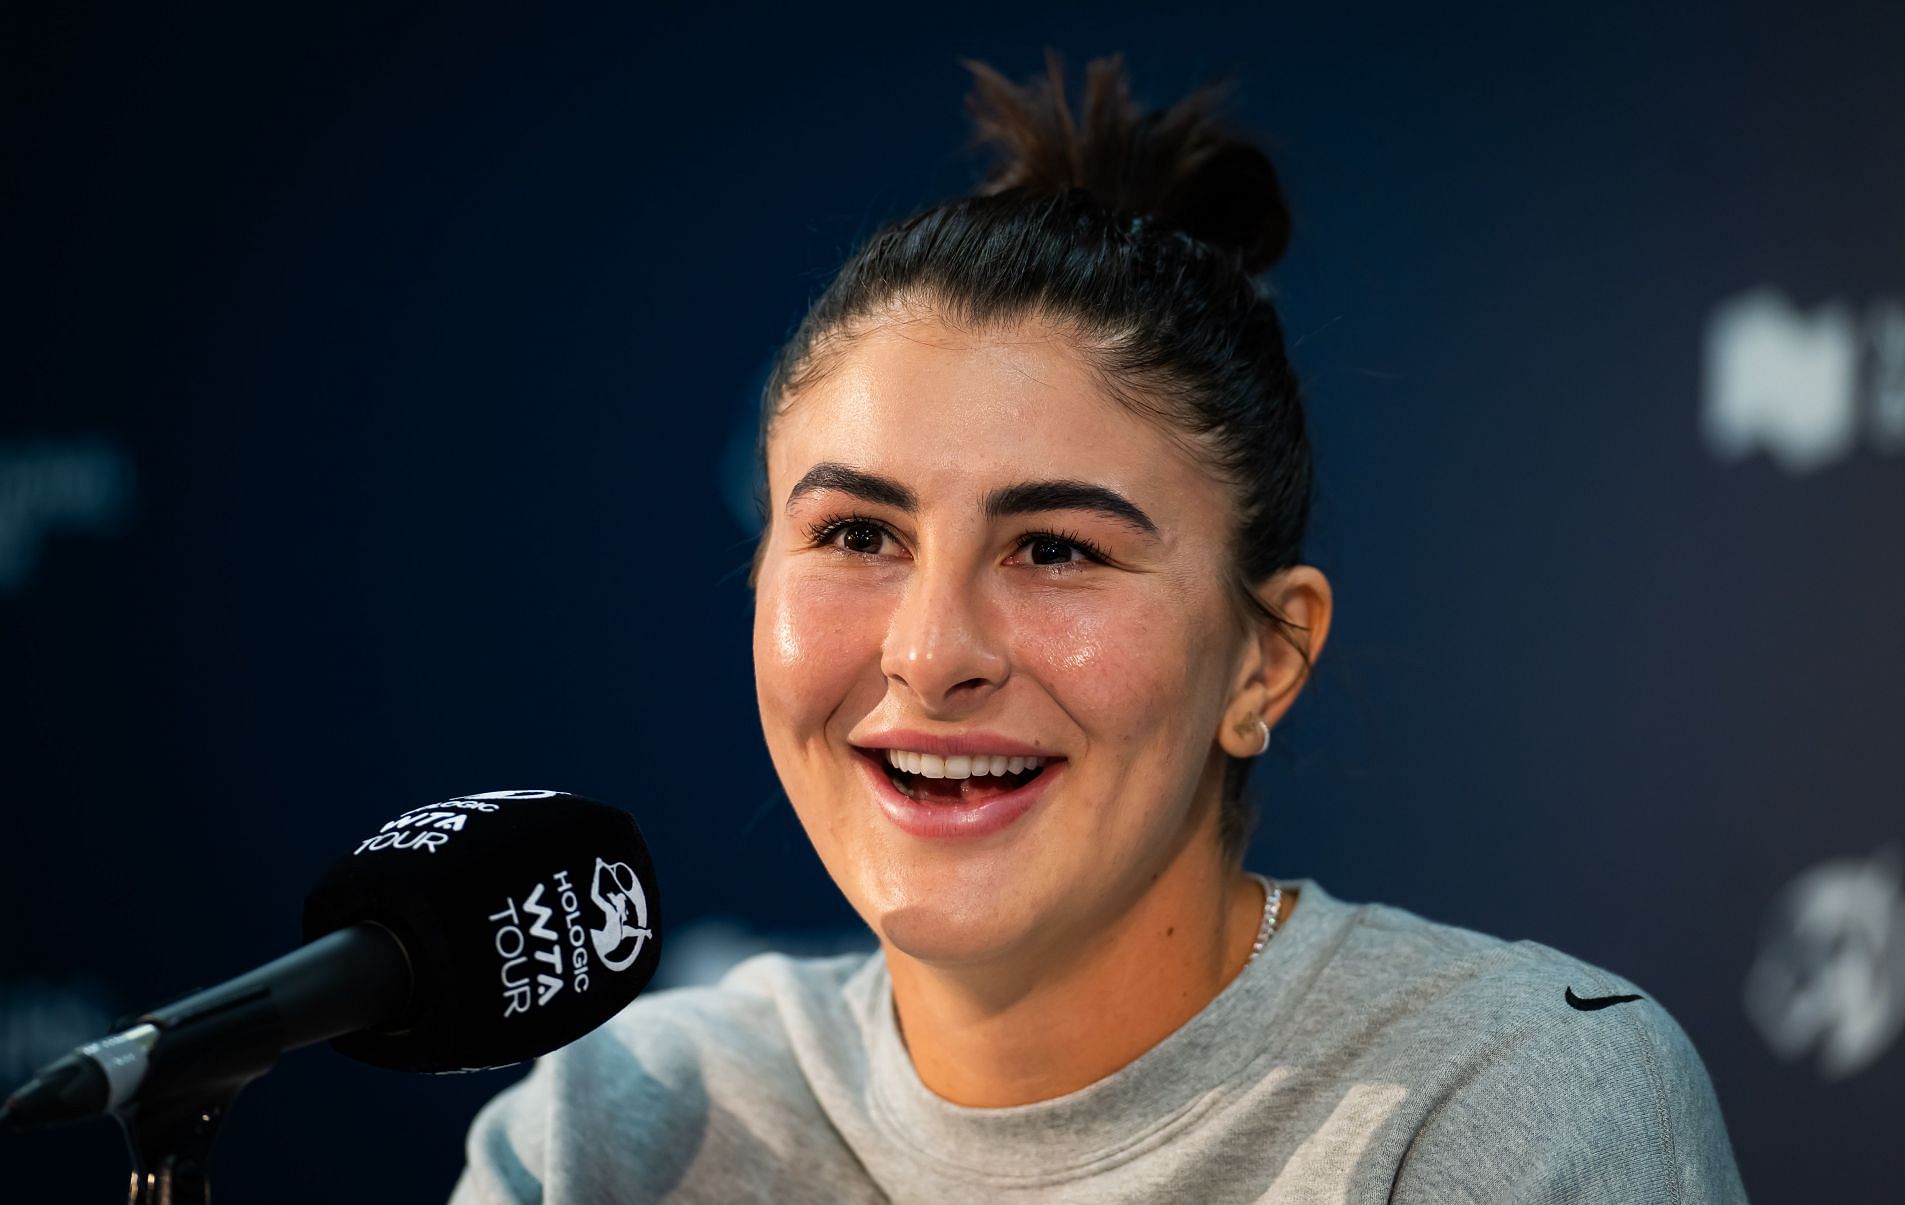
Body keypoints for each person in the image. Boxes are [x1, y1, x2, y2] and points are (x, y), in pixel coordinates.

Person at [449, 51, 1749, 1203]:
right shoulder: (620, 1126)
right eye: (857, 535)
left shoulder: (1513, 1099)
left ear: (1267, 655)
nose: (929, 649)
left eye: (1056, 549)